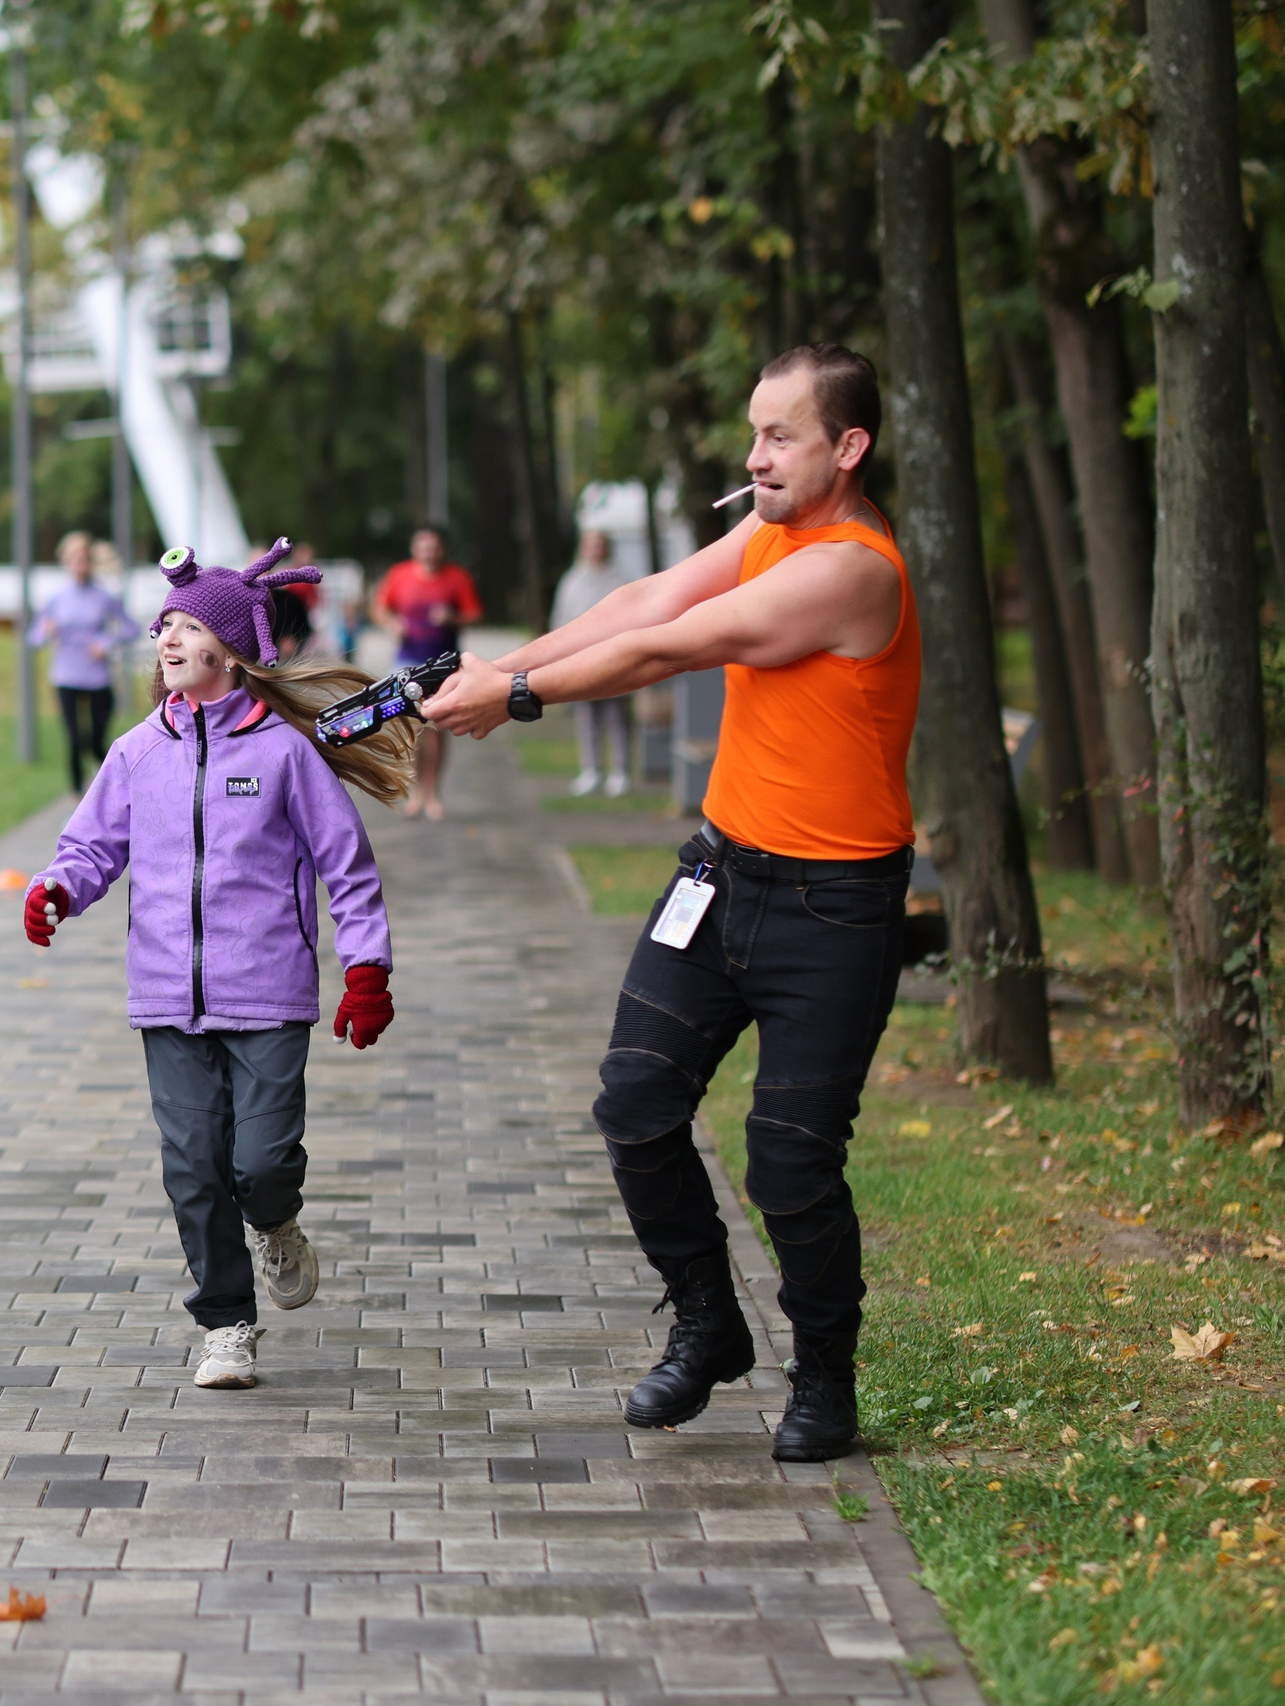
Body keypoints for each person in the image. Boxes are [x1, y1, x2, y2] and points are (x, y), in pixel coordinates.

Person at [419, 344, 914, 1463]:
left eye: (779, 435)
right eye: (752, 433)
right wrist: (491, 670)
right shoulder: (771, 530)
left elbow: (675, 643)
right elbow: (644, 597)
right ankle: (709, 1323)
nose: (754, 456)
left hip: (833, 907)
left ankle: (825, 1377)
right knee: (635, 1106)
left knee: (789, 1160)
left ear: (848, 446)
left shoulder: (852, 568)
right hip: (722, 873)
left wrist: (521, 695)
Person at [23, 540, 409, 1390]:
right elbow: (92, 845)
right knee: (192, 1168)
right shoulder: (135, 752)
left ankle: (276, 1223)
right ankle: (227, 1324)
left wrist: (366, 970)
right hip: (166, 994)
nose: (167, 639)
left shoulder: (282, 753)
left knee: (260, 1164)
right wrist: (58, 889)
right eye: (164, 624)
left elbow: (346, 866)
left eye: (190, 626)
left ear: (232, 651)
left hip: (267, 994)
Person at [374, 524, 483, 820]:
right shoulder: (399, 575)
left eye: (433, 547)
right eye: (423, 547)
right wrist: (393, 625)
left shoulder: (456, 577)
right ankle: (415, 794)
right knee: (411, 728)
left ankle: (433, 792)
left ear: (442, 550)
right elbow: (381, 609)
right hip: (407, 662)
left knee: (436, 728)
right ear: (414, 549)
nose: (428, 553)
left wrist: (452, 617)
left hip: (442, 664)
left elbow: (474, 614)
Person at [33, 531, 135, 791]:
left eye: (84, 557)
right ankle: (77, 797)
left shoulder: (104, 596)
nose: (80, 562)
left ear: (90, 561)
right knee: (75, 740)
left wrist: (106, 643)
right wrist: (46, 631)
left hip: (97, 677)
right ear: (65, 561)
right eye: (74, 557)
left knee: (98, 741)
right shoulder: (56, 599)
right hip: (66, 675)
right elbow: (34, 638)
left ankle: (112, 790)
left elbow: (130, 629)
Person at [548, 528, 646, 797]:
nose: (596, 550)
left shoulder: (620, 579)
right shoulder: (573, 580)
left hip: (614, 657)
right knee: (587, 716)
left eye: (600, 544)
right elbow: (561, 618)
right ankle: (590, 770)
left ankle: (620, 770)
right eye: (591, 545)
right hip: (581, 659)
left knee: (617, 716)